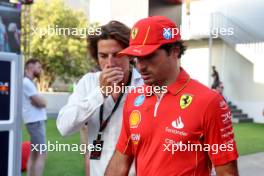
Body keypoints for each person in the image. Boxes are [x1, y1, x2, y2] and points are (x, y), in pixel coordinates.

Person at [105, 16, 239, 176]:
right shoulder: (134, 97)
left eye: (149, 56)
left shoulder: (209, 101)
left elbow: (227, 172)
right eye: (136, 58)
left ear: (174, 51)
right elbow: (121, 159)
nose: (141, 66)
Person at [56, 21, 143, 176]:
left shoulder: (144, 84)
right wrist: (100, 93)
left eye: (117, 55)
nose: (110, 63)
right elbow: (64, 127)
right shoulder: (89, 82)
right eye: (103, 56)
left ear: (129, 54)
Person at [23, 58, 47, 176]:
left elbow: (38, 101)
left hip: (34, 121)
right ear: (30, 67)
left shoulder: (28, 82)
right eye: (38, 67)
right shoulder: (26, 83)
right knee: (42, 153)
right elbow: (41, 102)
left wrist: (39, 101)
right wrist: (42, 102)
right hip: (35, 122)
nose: (40, 70)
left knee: (34, 153)